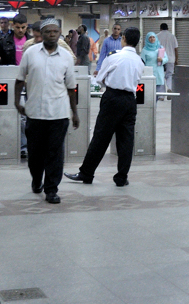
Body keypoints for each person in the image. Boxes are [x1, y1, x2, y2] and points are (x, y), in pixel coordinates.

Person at [66, 27, 144, 186]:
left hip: (112, 98)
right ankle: (122, 177)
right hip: (130, 100)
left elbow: (100, 79)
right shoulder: (139, 61)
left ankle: (86, 173)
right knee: (126, 140)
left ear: (123, 38)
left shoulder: (114, 57)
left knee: (101, 137)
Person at [15, 18, 79, 204]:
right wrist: (17, 102)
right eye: (48, 32)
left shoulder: (67, 57)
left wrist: (74, 113)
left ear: (60, 33)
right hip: (34, 113)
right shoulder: (31, 53)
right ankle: (36, 179)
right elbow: (19, 80)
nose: (52, 35)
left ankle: (51, 189)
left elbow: (71, 87)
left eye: (55, 32)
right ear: (41, 34)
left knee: (55, 153)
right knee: (35, 154)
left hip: (58, 114)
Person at [141, 32, 166, 97]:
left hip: (158, 73)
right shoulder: (144, 50)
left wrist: (162, 60)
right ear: (147, 39)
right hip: (149, 73)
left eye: (153, 37)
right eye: (150, 37)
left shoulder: (160, 48)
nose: (152, 39)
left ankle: (155, 106)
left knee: (156, 94)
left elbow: (166, 59)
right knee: (149, 94)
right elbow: (142, 62)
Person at [156, 23, 178, 92]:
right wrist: (176, 59)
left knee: (161, 76)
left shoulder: (157, 36)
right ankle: (169, 88)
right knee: (170, 75)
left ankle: (161, 95)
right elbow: (176, 49)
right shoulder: (172, 36)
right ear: (168, 28)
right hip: (171, 59)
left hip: (161, 58)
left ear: (160, 28)